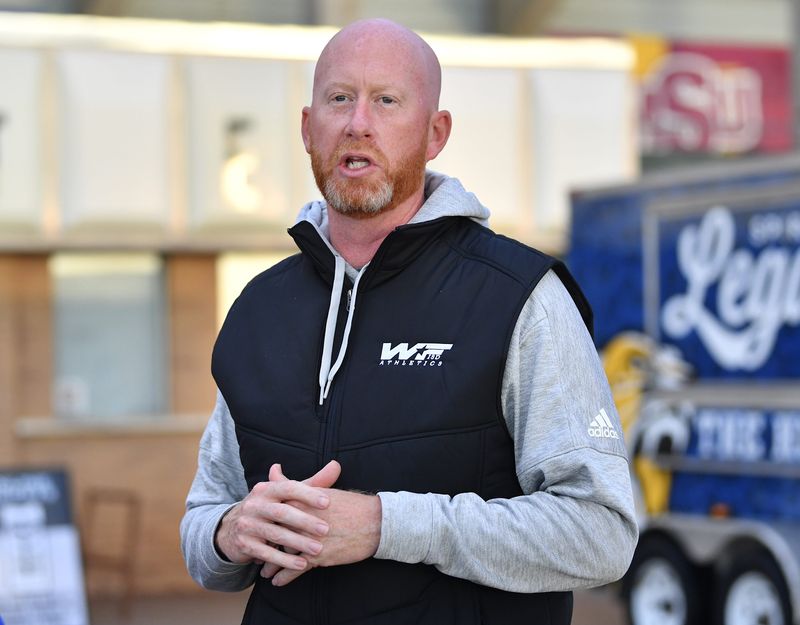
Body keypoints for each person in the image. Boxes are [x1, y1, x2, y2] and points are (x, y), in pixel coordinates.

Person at [181, 17, 638, 625]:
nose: (357, 123)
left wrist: (386, 527)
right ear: (307, 129)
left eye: (387, 101)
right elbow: (202, 523)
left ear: (434, 133)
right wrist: (230, 532)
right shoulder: (258, 309)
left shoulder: (518, 297)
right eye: (338, 98)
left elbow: (600, 533)